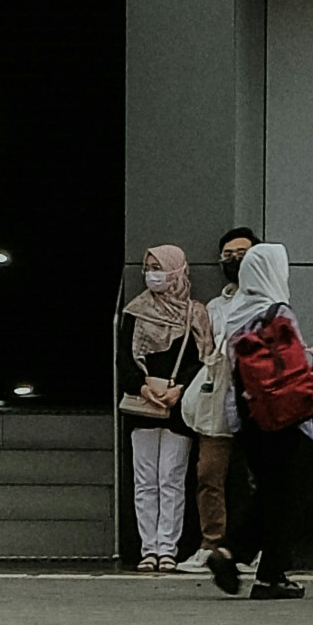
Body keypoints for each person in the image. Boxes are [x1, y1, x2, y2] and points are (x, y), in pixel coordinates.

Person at [208, 235, 313, 603]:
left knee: (269, 493)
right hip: (282, 418)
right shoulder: (278, 311)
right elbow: (295, 366)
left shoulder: (237, 313)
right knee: (284, 497)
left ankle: (232, 553)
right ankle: (271, 575)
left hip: (248, 417)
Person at [122, 240, 209, 569]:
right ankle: (148, 549)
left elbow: (203, 359)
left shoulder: (195, 313)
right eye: (149, 268)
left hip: (178, 406)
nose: (152, 275)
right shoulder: (135, 311)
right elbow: (124, 359)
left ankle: (168, 548)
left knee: (172, 477)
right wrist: (142, 387)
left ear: (177, 270)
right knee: (144, 479)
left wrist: (180, 389)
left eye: (159, 268)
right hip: (141, 404)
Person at [189, 221, 257, 589]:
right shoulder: (214, 306)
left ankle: (248, 547)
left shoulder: (266, 299)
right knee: (208, 474)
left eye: (241, 255)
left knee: (253, 478)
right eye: (228, 255)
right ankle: (212, 545)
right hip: (216, 398)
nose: (233, 261)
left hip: (251, 400)